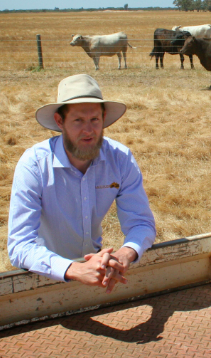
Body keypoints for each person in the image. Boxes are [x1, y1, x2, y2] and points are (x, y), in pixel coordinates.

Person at [8, 74, 156, 293]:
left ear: (104, 117)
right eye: (78, 120)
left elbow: (141, 222)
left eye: (95, 120)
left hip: (98, 272)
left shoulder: (120, 159)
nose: (89, 130)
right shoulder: (34, 165)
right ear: (60, 121)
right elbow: (20, 245)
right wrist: (74, 269)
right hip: (42, 276)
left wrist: (125, 254)